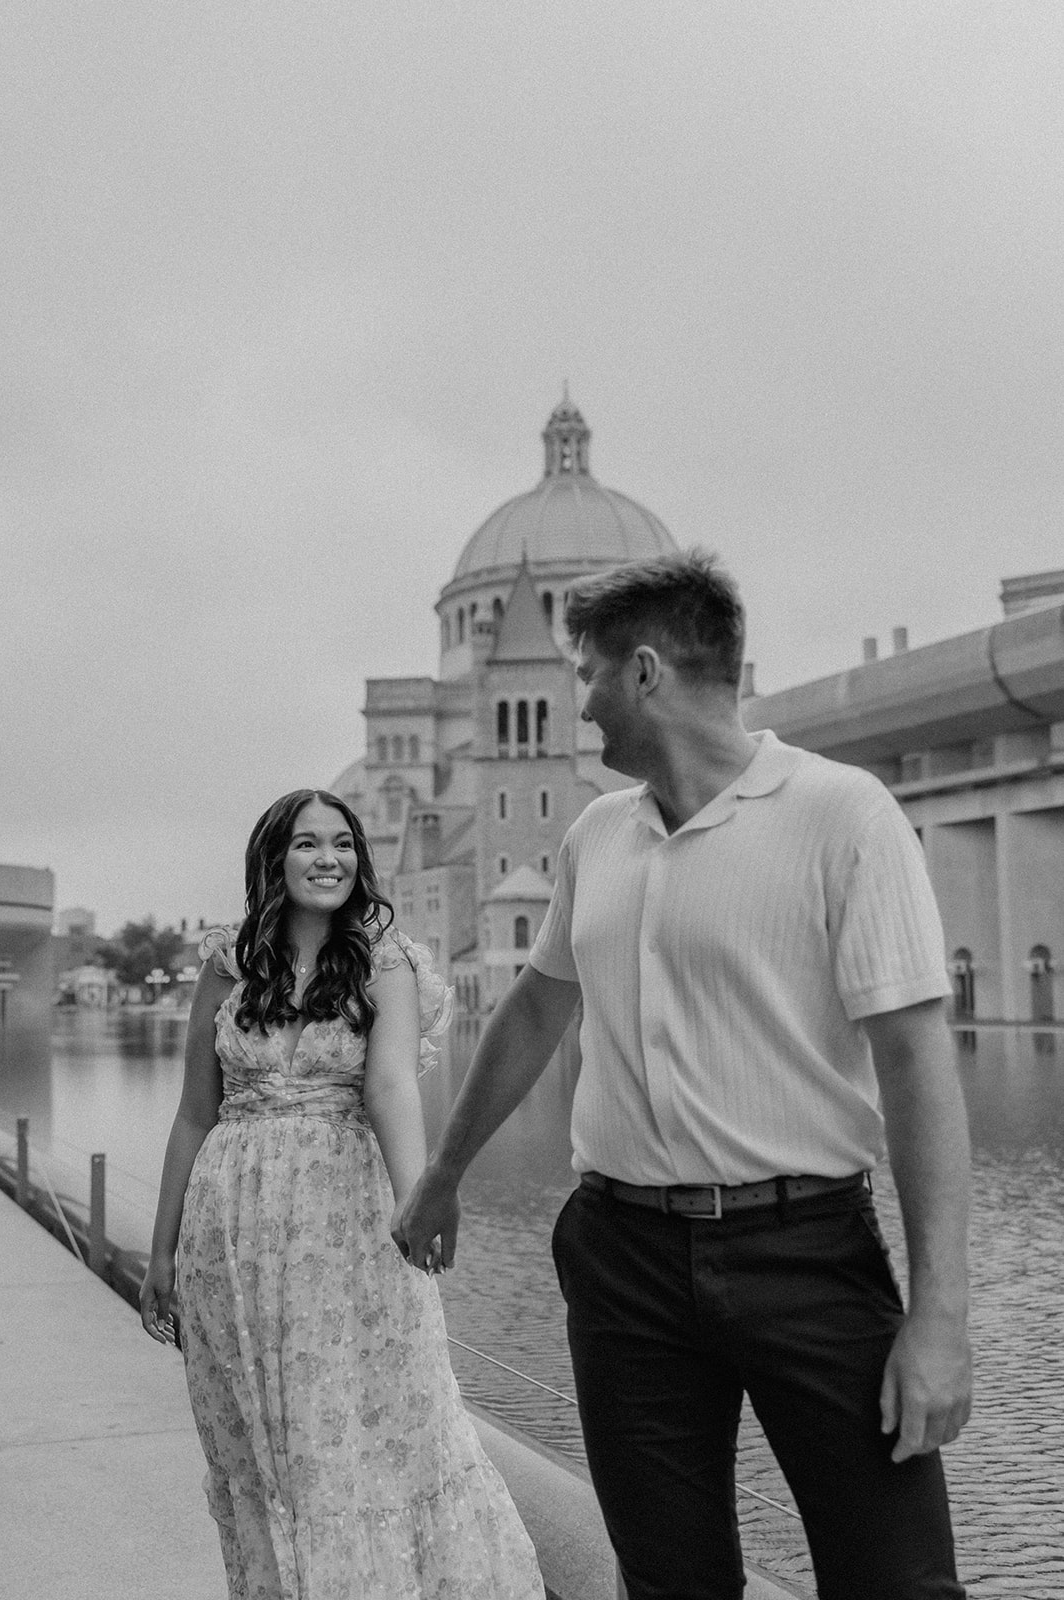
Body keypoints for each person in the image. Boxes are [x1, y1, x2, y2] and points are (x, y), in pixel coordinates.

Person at [398, 551, 973, 1600]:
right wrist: (443, 1171)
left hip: (803, 1252)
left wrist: (938, 1315)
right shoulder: (592, 836)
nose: (579, 705)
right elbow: (533, 1011)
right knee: (668, 1584)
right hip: (622, 1260)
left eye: (590, 676)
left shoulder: (842, 816)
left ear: (647, 671)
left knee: (897, 1583)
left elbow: (915, 1065)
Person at [140, 789, 544, 1600]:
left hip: (343, 1224)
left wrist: (420, 1199)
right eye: (306, 844)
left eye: (343, 844)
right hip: (232, 1233)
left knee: (360, 1430)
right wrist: (161, 1251)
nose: (328, 859)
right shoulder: (226, 964)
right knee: (258, 1438)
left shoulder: (384, 961)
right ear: (272, 859)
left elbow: (390, 1087)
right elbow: (193, 1114)